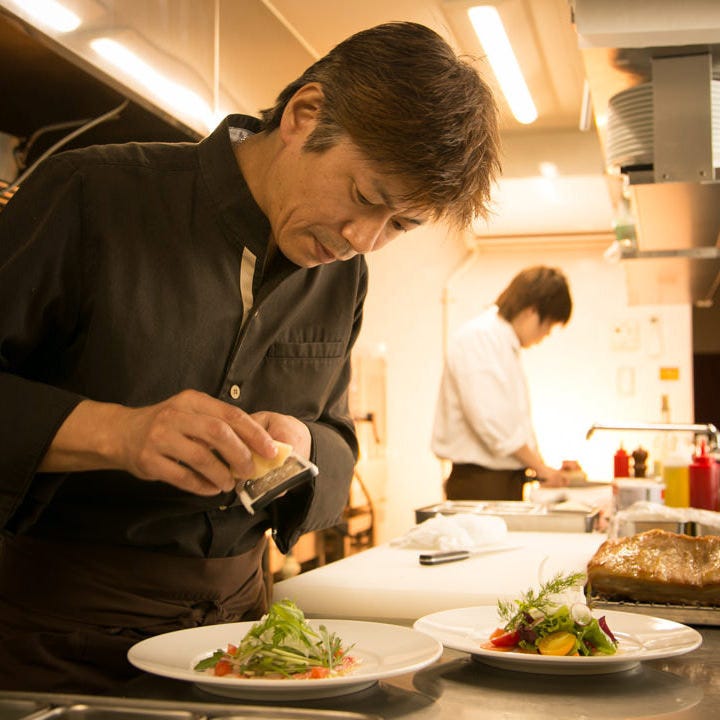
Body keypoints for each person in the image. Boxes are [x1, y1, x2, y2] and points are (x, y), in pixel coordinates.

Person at [0, 22, 500, 692]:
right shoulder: (92, 195)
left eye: (400, 226)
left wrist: (304, 445)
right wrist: (120, 433)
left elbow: (338, 440)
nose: (363, 240)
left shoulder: (343, 276)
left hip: (247, 638)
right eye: (363, 197)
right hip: (59, 637)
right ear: (304, 115)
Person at [432, 266, 573, 501]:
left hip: (501, 480)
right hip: (481, 483)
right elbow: (492, 422)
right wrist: (541, 468)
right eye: (548, 325)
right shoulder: (480, 338)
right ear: (531, 310)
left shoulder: (502, 342)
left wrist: (543, 468)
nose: (546, 334)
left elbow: (512, 424)